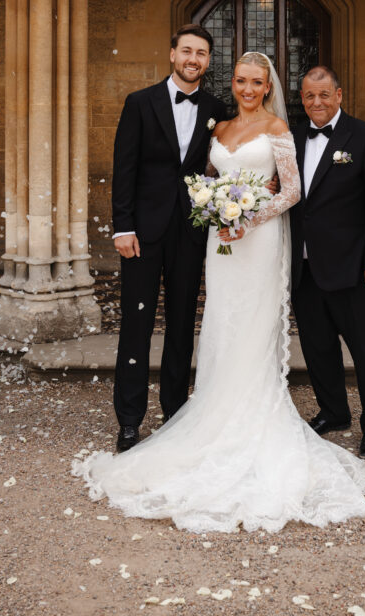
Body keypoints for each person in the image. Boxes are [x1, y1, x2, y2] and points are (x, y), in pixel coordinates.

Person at [74, 53, 365, 533]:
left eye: (256, 81)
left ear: (267, 86)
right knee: (220, 321)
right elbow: (205, 181)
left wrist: (246, 217)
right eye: (240, 81)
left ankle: (251, 419)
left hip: (258, 240)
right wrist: (215, 208)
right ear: (231, 83)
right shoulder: (218, 130)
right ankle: (210, 409)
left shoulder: (278, 129)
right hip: (220, 241)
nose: (248, 88)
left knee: (253, 324)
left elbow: (290, 191)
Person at [110, 24, 229, 452]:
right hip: (141, 233)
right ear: (173, 54)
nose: (193, 59)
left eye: (201, 53)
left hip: (190, 231)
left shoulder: (218, 109)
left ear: (208, 61)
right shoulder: (140, 103)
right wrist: (122, 227)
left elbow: (221, 168)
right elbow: (124, 168)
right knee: (136, 325)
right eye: (187, 51)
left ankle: (176, 412)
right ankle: (128, 419)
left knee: (181, 324)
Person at [290, 66, 365, 460]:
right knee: (318, 349)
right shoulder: (293, 138)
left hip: (357, 269)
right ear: (302, 99)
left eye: (323, 95)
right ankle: (334, 412)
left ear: (339, 95)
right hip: (307, 269)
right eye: (308, 96)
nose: (316, 102)